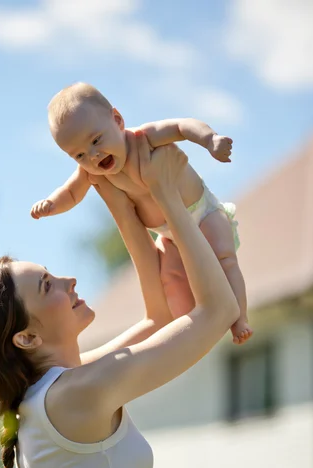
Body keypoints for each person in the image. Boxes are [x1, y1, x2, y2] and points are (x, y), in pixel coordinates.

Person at [0, 133, 239, 468]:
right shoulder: (75, 396)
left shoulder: (57, 394)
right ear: (26, 338)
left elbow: (159, 318)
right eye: (48, 286)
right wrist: (167, 195)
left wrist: (116, 199)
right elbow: (217, 311)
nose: (70, 280)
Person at [30, 82, 251, 345]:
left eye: (96, 140)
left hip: (203, 213)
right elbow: (71, 193)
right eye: (79, 154)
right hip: (168, 235)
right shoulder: (92, 171)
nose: (93, 155)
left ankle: (241, 320)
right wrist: (51, 204)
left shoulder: (144, 138)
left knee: (225, 260)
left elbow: (182, 127)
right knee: (170, 278)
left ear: (118, 120)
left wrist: (209, 140)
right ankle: (190, 325)